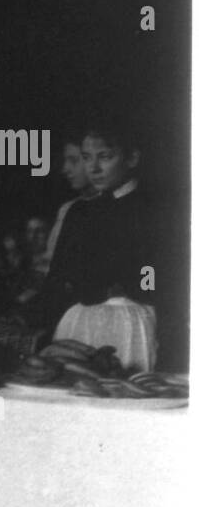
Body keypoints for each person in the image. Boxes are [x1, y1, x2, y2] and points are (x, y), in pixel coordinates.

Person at [38, 128, 162, 370]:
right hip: (80, 323)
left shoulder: (153, 210)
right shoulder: (79, 212)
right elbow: (57, 278)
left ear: (132, 158)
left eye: (104, 157)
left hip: (132, 324)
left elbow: (153, 270)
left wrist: (144, 290)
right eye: (86, 157)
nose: (93, 168)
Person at [46, 137, 99, 261]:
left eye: (74, 161)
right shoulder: (67, 210)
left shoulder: (118, 206)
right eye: (65, 161)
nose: (65, 169)